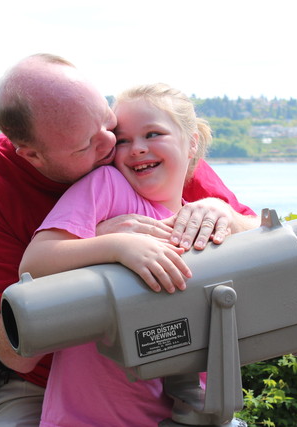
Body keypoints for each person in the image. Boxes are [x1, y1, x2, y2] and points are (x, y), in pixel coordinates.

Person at [0, 54, 257, 425]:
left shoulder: (133, 146)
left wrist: (223, 214)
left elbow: (253, 231)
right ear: (32, 154)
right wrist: (98, 245)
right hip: (40, 385)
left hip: (163, 375)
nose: (113, 146)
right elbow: (16, 350)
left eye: (109, 124)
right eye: (87, 146)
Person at [20, 83, 247, 426]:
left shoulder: (204, 219)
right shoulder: (108, 187)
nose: (137, 149)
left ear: (192, 142)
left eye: (153, 134)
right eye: (123, 140)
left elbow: (271, 240)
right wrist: (118, 247)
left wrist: (225, 214)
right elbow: (34, 264)